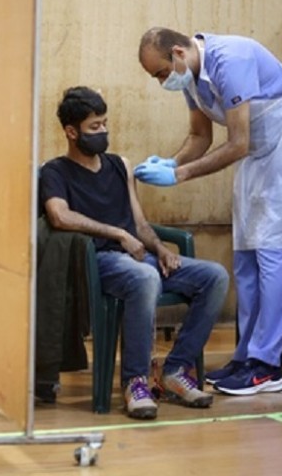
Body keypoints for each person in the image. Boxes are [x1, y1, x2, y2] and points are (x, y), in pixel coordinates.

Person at [136, 28, 282, 396]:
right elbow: (200, 138)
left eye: (160, 73)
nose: (161, 82)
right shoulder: (189, 77)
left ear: (177, 52)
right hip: (256, 152)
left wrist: (180, 174)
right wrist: (169, 162)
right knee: (247, 253)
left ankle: (267, 365)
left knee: (275, 252)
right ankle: (245, 357)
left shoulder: (230, 60)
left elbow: (237, 143)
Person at [40, 86, 228, 419]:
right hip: (101, 261)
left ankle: (175, 370)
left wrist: (161, 248)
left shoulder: (119, 165)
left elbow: (140, 223)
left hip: (142, 256)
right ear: (71, 132)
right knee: (144, 278)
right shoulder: (55, 171)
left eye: (105, 124)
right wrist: (117, 233)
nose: (103, 132)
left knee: (214, 276)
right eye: (94, 127)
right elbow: (59, 215)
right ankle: (135, 382)